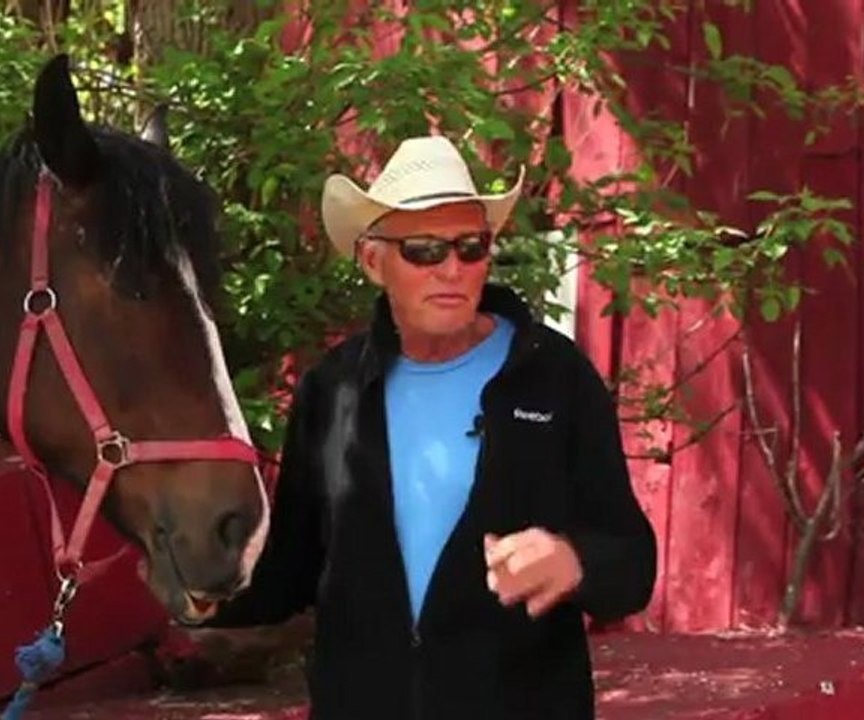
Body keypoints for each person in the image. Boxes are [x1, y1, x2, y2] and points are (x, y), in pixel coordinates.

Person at [208, 135, 657, 720]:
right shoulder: (333, 390)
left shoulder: (554, 376)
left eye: (472, 247)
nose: (452, 269)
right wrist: (201, 596)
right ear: (374, 261)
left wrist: (574, 561)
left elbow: (633, 561)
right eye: (424, 250)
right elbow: (291, 571)